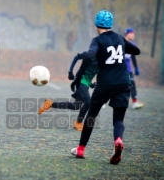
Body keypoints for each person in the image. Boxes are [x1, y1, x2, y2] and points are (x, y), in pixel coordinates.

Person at [69, 10, 140, 164]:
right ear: (110, 24)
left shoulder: (97, 41)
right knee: (118, 120)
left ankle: (80, 149)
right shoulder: (120, 38)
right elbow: (136, 51)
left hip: (104, 84)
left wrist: (78, 76)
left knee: (91, 116)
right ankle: (118, 140)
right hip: (123, 83)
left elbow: (89, 55)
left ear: (96, 25)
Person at [38, 51, 98, 131]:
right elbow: (76, 57)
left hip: (85, 83)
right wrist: (70, 71)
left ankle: (50, 104)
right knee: (88, 102)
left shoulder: (104, 62)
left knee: (75, 106)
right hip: (80, 81)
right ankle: (78, 122)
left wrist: (91, 84)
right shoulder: (90, 54)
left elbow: (89, 74)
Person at [124, 28, 143, 109]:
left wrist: (136, 68)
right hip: (119, 69)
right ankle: (102, 101)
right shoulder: (120, 42)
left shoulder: (133, 45)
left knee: (132, 83)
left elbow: (133, 57)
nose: (133, 35)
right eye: (131, 33)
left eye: (134, 33)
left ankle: (134, 103)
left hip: (128, 70)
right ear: (126, 34)